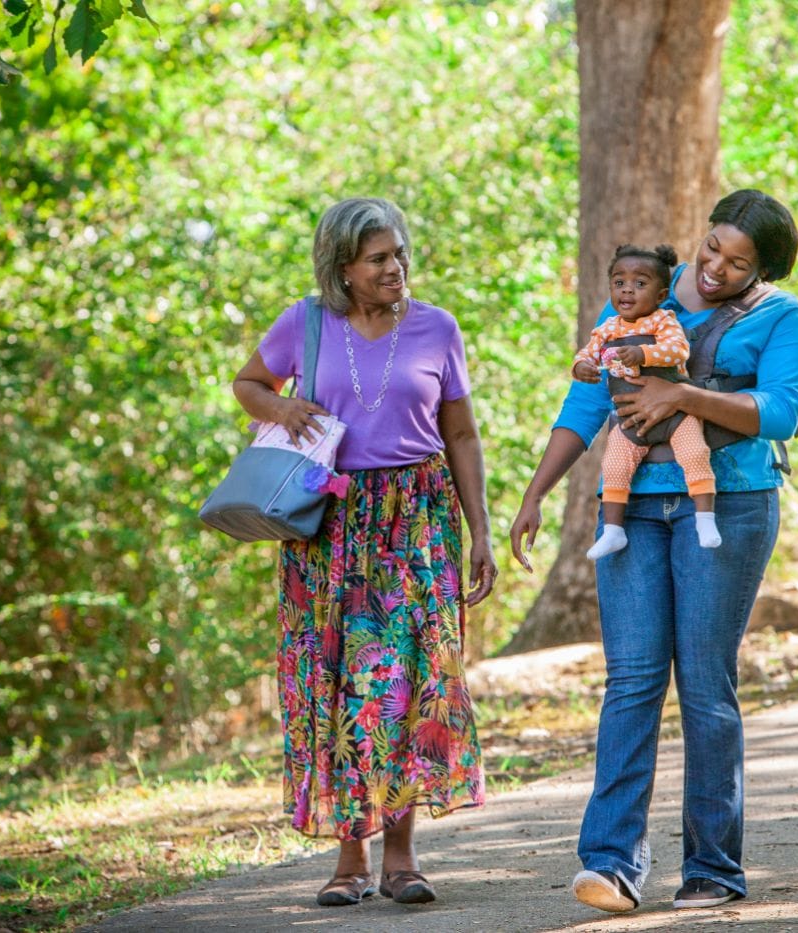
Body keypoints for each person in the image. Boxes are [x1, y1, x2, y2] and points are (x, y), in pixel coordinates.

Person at [510, 189, 798, 912]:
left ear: (762, 269)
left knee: (705, 684)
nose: (715, 268)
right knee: (633, 679)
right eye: (713, 247)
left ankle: (712, 868)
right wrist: (536, 492)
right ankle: (611, 862)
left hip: (728, 503)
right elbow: (587, 404)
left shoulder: (779, 318)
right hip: (634, 509)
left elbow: (781, 412)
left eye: (737, 263)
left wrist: (683, 398)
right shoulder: (640, 292)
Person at [232, 197, 496, 908]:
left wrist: (481, 530)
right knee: (340, 684)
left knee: (410, 682)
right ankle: (348, 859)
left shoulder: (438, 327)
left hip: (418, 520)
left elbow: (463, 436)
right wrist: (283, 408)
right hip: (331, 525)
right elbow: (248, 383)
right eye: (379, 258)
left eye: (400, 253)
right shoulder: (305, 324)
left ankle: (402, 857)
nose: (395, 267)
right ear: (343, 268)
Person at [573, 243, 719, 560]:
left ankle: (705, 519)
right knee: (614, 465)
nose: (627, 290)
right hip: (631, 419)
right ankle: (613, 531)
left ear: (660, 294)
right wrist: (581, 366)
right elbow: (588, 353)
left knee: (695, 452)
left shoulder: (663, 320)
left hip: (676, 414)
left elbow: (678, 351)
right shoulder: (607, 329)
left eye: (640, 284)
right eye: (619, 282)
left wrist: (643, 353)